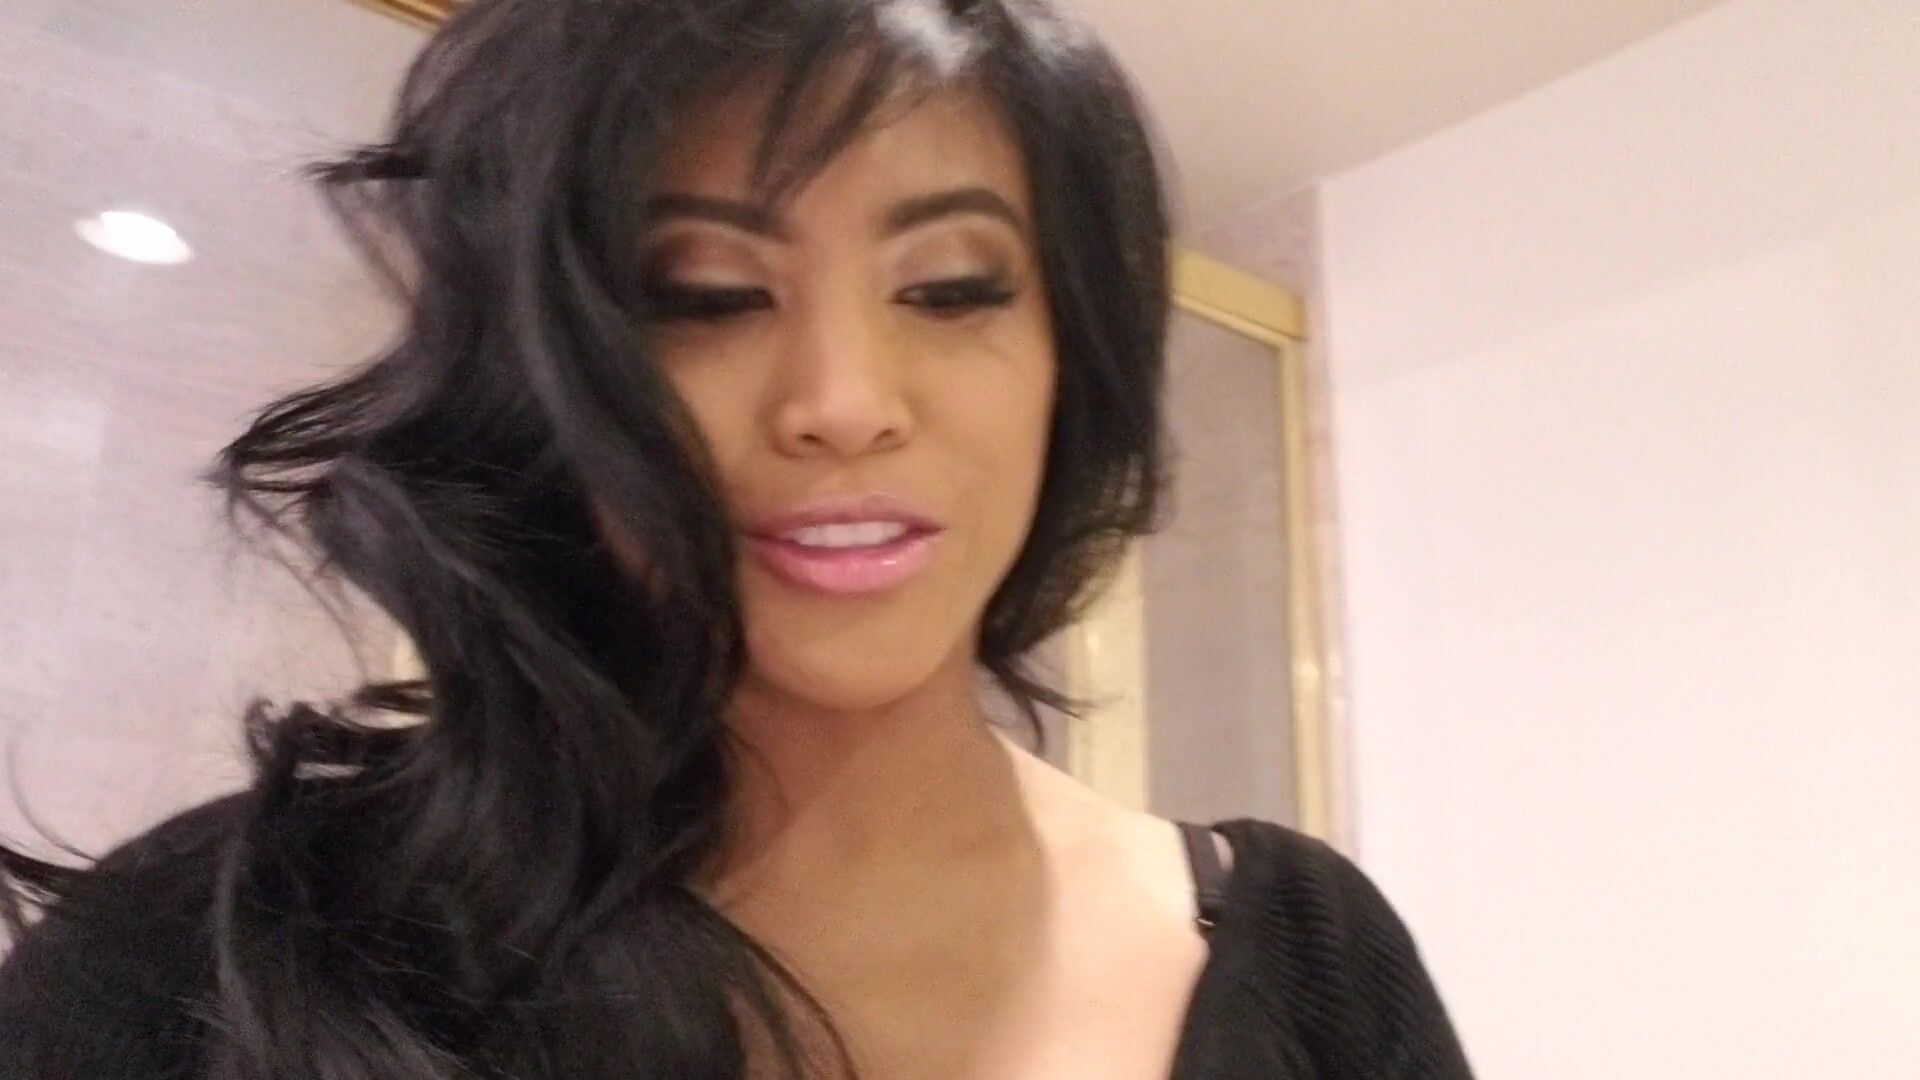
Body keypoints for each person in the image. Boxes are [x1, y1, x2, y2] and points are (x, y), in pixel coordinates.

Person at [0, 1, 1472, 1076]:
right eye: (705, 298)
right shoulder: (220, 946)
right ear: (542, 381)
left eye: (951, 289)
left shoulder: (1312, 957)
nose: (843, 404)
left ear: (1066, 362)